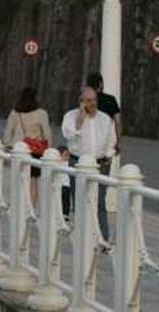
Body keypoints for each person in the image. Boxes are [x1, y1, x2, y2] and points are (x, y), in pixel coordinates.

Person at [61, 86, 117, 242]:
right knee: (79, 199)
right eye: (88, 101)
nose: (92, 104)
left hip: (101, 163)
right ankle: (82, 236)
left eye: (94, 100)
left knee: (99, 201)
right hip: (78, 162)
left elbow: (111, 140)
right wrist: (81, 118)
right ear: (81, 102)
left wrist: (108, 156)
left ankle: (102, 239)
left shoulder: (105, 118)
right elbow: (68, 134)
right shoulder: (70, 116)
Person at [3, 87, 52, 206]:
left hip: (18, 151)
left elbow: (7, 134)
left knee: (18, 179)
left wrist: (9, 146)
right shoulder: (41, 114)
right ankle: (31, 207)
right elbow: (47, 135)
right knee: (33, 181)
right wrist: (49, 151)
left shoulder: (15, 113)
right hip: (35, 152)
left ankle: (17, 204)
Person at [86, 72, 122, 154]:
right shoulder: (110, 100)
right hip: (105, 140)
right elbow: (118, 122)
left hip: (88, 139)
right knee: (104, 163)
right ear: (100, 84)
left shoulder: (85, 100)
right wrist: (118, 141)